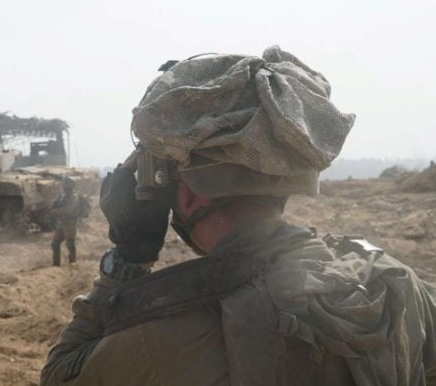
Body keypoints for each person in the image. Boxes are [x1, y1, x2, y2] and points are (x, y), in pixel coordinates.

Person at [42, 47, 436, 385]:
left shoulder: (161, 337)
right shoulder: (393, 280)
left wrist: (128, 258)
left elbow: (61, 374)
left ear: (190, 194)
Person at [50, 176, 81, 266]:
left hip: (70, 223)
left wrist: (55, 211)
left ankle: (72, 263)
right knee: (55, 243)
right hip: (62, 222)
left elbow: (68, 210)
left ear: (70, 185)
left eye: (66, 184)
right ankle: (56, 264)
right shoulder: (63, 196)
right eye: (64, 184)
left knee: (70, 243)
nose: (64, 186)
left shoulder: (74, 197)